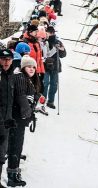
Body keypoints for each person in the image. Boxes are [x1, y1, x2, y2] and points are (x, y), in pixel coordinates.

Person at [7, 56, 42, 187]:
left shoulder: (26, 78)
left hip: (18, 117)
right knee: (15, 145)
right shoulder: (21, 77)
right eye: (29, 66)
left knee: (15, 145)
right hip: (17, 118)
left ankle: (13, 172)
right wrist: (27, 113)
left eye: (33, 67)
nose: (32, 69)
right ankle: (12, 175)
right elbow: (21, 98)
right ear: (23, 67)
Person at [0, 49, 15, 188]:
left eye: (9, 59)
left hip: (6, 121)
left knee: (1, 154)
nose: (6, 62)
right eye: (3, 59)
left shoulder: (11, 75)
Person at [43, 26, 66, 109]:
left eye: (49, 33)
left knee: (53, 85)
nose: (48, 34)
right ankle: (43, 101)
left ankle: (50, 101)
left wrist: (61, 49)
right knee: (45, 83)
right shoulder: (44, 41)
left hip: (55, 66)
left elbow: (63, 55)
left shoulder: (58, 42)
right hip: (45, 65)